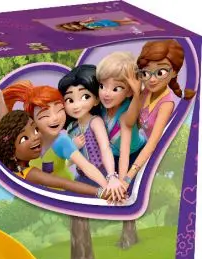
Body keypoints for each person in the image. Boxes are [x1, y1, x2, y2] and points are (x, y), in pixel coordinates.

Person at [0, 110, 113, 199]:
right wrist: (100, 192)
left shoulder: (12, 170)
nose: (36, 137)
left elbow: (5, 127)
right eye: (24, 138)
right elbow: (65, 183)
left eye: (35, 130)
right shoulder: (29, 173)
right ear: (10, 152)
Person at [123, 40, 197, 186]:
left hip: (160, 155)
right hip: (141, 149)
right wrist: (136, 94)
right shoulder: (145, 92)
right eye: (146, 73)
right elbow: (129, 122)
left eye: (160, 72)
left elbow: (152, 144)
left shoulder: (166, 104)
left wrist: (128, 177)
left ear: (174, 72)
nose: (152, 79)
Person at [58, 65, 126, 200]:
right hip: (82, 176)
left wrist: (111, 176)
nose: (76, 105)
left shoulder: (95, 122)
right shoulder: (71, 128)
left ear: (96, 100)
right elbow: (67, 162)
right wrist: (73, 147)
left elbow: (105, 148)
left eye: (84, 97)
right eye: (70, 100)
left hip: (103, 174)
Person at [0, 81, 73, 183]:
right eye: (45, 115)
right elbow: (6, 125)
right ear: (33, 119)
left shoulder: (62, 141)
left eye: (59, 110)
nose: (54, 118)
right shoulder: (30, 145)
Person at [95, 51, 147, 179]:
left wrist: (123, 181)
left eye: (115, 89)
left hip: (133, 153)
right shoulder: (100, 107)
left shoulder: (125, 115)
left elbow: (125, 153)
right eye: (102, 86)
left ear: (129, 92)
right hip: (112, 153)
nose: (106, 93)